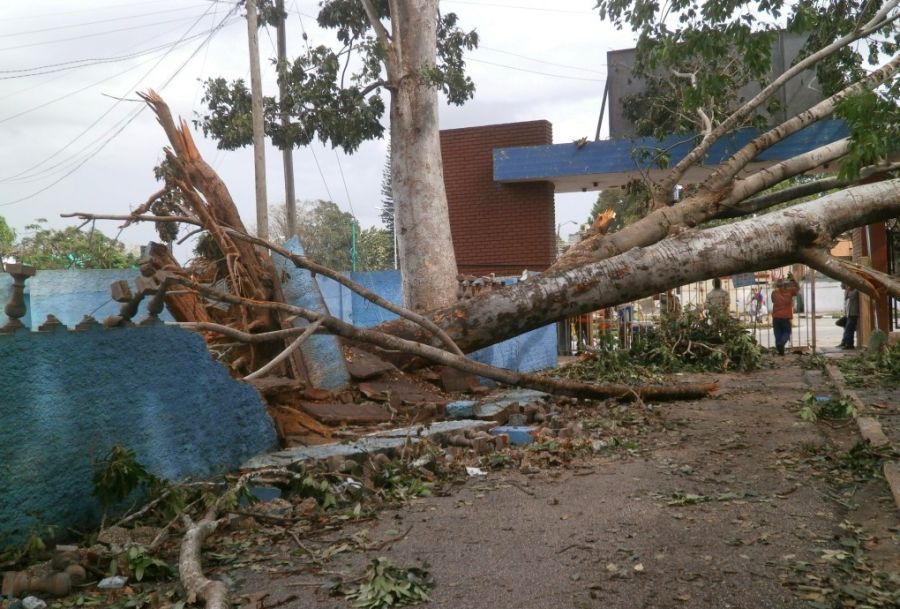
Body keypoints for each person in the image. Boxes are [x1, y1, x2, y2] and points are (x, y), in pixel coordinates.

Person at [770, 276, 800, 355]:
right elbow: (798, 289)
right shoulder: (790, 292)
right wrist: (794, 281)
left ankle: (780, 352)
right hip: (785, 317)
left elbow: (773, 301)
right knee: (787, 332)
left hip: (776, 317)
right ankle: (781, 343)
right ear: (786, 285)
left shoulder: (774, 292)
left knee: (777, 334)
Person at [839, 284, 860, 349]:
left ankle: (849, 344)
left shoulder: (855, 291)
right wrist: (847, 290)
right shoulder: (849, 291)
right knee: (846, 328)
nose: (847, 287)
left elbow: (849, 296)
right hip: (849, 314)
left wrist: (847, 290)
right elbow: (845, 297)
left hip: (853, 314)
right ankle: (845, 342)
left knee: (849, 330)